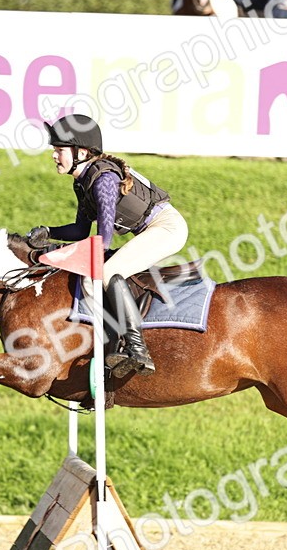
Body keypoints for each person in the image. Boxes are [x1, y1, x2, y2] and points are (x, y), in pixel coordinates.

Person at [27, 114, 189, 379]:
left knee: (109, 271)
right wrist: (48, 232)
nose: (54, 156)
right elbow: (81, 230)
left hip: (167, 227)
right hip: (150, 229)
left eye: (59, 150)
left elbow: (103, 239)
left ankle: (137, 349)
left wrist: (66, 254)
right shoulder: (84, 180)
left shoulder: (103, 179)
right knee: (99, 274)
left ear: (81, 151)